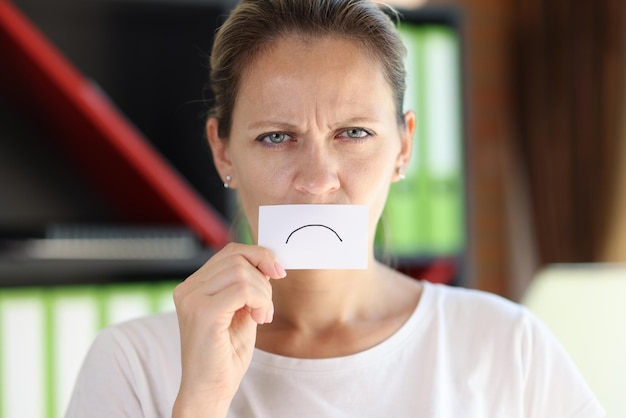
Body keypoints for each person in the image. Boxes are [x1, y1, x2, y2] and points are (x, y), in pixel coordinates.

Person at [65, 0, 605, 417]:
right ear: (222, 150)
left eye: (353, 133)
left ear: (403, 147)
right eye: (277, 137)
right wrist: (202, 400)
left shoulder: (507, 347)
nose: (318, 180)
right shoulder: (133, 364)